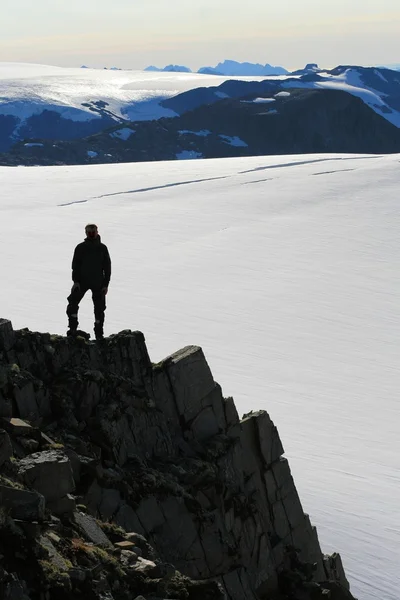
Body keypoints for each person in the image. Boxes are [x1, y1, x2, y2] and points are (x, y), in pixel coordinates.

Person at [66, 223, 111, 340]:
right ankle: (73, 329)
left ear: (97, 232)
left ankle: (99, 334)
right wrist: (76, 282)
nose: (91, 233)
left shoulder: (102, 248)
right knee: (72, 303)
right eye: (89, 231)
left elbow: (107, 267)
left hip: (98, 282)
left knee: (99, 308)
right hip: (82, 281)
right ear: (85, 233)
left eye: (93, 231)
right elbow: (75, 266)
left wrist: (106, 285)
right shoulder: (80, 247)